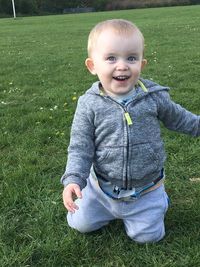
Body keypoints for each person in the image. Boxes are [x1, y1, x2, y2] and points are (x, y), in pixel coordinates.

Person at [61, 19, 200, 243]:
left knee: (148, 238)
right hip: (101, 191)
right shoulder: (89, 105)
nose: (122, 65)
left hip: (146, 189)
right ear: (92, 66)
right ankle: (105, 210)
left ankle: (158, 202)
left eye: (131, 58)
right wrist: (73, 180)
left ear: (142, 65)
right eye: (111, 58)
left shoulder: (153, 97)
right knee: (80, 224)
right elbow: (80, 146)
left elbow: (182, 120)